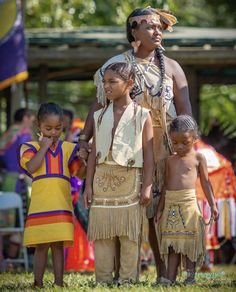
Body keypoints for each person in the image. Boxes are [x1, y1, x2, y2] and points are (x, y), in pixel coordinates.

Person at [78, 6, 192, 280]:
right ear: (134, 31)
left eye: (159, 27)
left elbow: (185, 110)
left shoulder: (173, 67)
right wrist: (84, 138)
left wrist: (188, 148)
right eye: (150, 26)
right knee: (131, 209)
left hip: (166, 148)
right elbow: (99, 103)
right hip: (127, 149)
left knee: (163, 208)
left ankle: (166, 270)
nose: (157, 31)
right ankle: (121, 271)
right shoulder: (117, 65)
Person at [83, 62, 154, 284]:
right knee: (103, 234)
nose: (107, 86)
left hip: (130, 179)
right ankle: (102, 280)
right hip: (101, 180)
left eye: (113, 82)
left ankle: (127, 280)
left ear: (129, 84)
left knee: (129, 234)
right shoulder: (99, 115)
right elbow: (93, 154)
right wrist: (88, 185)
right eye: (105, 82)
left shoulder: (143, 115)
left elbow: (149, 156)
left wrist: (148, 186)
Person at [19, 102, 85, 287]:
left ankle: (59, 282)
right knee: (41, 247)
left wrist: (85, 156)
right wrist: (43, 148)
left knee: (58, 246)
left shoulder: (67, 149)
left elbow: (79, 173)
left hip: (61, 207)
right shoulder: (29, 148)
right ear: (38, 126)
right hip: (41, 207)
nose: (53, 133)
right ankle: (37, 282)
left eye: (57, 128)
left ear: (63, 127)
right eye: (48, 128)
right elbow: (31, 167)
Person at [155, 115, 219, 285]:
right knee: (172, 243)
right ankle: (170, 278)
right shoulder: (169, 160)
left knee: (189, 242)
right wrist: (160, 208)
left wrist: (213, 205)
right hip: (170, 204)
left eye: (185, 142)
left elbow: (205, 183)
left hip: (189, 204)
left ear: (195, 138)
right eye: (175, 143)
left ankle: (190, 277)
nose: (180, 147)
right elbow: (166, 186)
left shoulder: (199, 158)